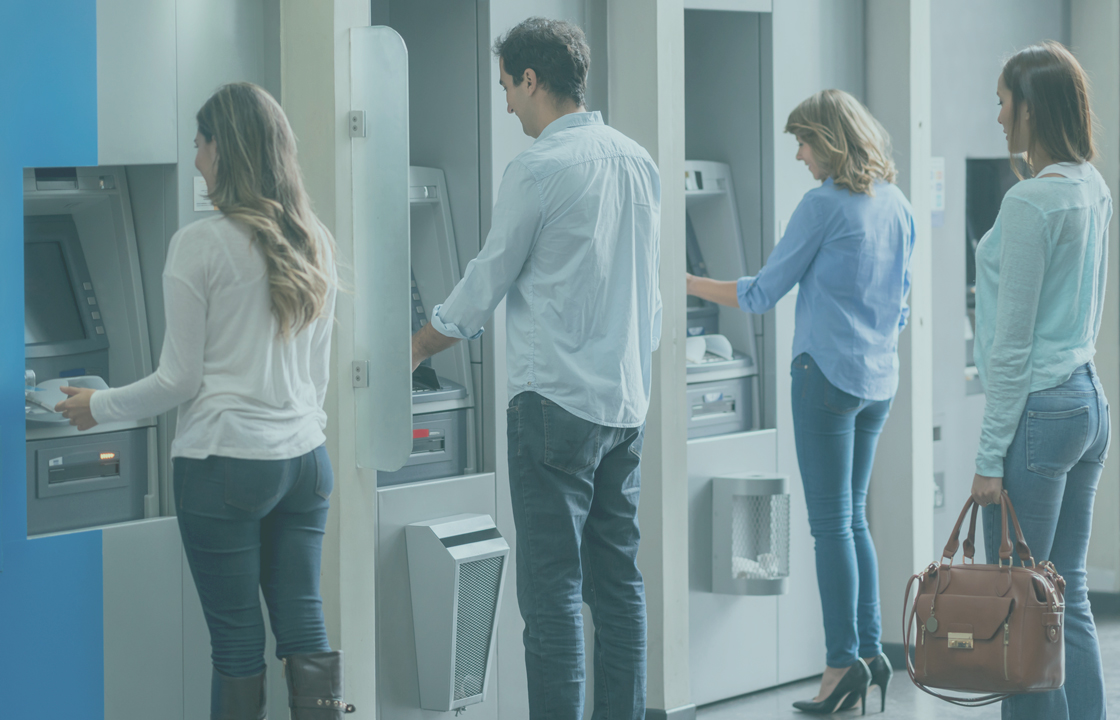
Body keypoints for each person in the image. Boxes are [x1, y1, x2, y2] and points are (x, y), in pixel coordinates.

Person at [56, 83, 351, 720]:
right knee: (305, 629)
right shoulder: (315, 240)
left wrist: (97, 406)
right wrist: (292, 430)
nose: (194, 161)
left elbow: (178, 380)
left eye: (199, 145)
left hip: (225, 465)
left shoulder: (201, 244)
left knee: (238, 644)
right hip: (305, 462)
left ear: (226, 149)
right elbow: (317, 377)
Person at [409, 17, 661, 720]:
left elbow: (485, 282)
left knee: (551, 596)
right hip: (624, 406)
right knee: (618, 587)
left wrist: (416, 347)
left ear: (531, 79)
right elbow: (652, 293)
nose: (507, 106)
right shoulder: (637, 160)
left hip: (552, 407)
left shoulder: (538, 168)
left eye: (507, 89)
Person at [686, 89, 914, 715]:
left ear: (830, 140)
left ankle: (840, 663)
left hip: (825, 380)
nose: (798, 155)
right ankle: (871, 654)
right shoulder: (897, 204)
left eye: (803, 142)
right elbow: (901, 306)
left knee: (830, 525)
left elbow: (761, 293)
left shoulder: (823, 206)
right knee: (854, 519)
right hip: (877, 382)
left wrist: (683, 281)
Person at [970, 41, 1111, 720]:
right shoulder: (1092, 186)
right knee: (1065, 591)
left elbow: (1011, 346)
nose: (998, 116)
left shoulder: (1030, 202)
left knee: (1020, 605)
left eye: (1004, 102)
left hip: (1040, 410)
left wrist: (987, 457)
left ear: (1032, 107)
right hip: (1086, 400)